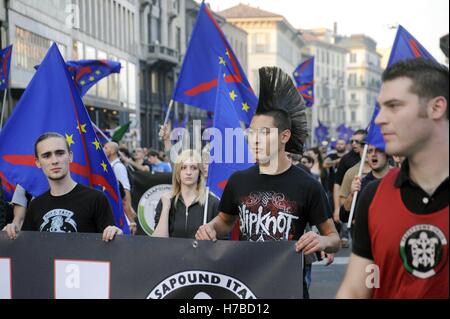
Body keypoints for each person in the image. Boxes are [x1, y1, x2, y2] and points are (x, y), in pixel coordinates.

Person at [195, 67, 340, 298]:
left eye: (264, 133)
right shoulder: (239, 180)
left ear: (284, 137)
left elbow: (335, 239)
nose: (255, 140)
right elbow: (224, 221)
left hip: (289, 286)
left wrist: (321, 240)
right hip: (246, 286)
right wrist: (209, 229)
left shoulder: (307, 185)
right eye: (252, 133)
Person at [337, 58, 448, 298]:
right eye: (381, 107)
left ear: (436, 108)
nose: (379, 119)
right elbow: (356, 289)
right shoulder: (374, 195)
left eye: (394, 106)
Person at [7, 132, 122, 241]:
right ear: (37, 162)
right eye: (47, 156)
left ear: (70, 156)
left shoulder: (96, 199)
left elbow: (110, 247)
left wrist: (115, 234)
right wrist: (12, 234)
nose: (54, 161)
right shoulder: (35, 206)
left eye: (60, 153)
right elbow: (27, 248)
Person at [152, 149, 219, 238]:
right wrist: (166, 208)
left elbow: (222, 242)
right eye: (183, 167)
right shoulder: (166, 200)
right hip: (172, 252)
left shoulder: (212, 203)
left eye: (194, 168)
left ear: (199, 172)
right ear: (178, 172)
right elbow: (158, 242)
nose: (188, 172)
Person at [340, 144, 392, 225]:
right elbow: (344, 217)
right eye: (370, 151)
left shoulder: (398, 180)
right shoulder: (361, 184)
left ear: (387, 154)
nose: (373, 154)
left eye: (379, 150)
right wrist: (352, 194)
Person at [103, 141, 138, 235]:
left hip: (122, 211)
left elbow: (126, 190)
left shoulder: (118, 167)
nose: (103, 150)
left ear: (113, 151)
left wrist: (129, 214)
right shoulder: (110, 166)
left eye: (106, 148)